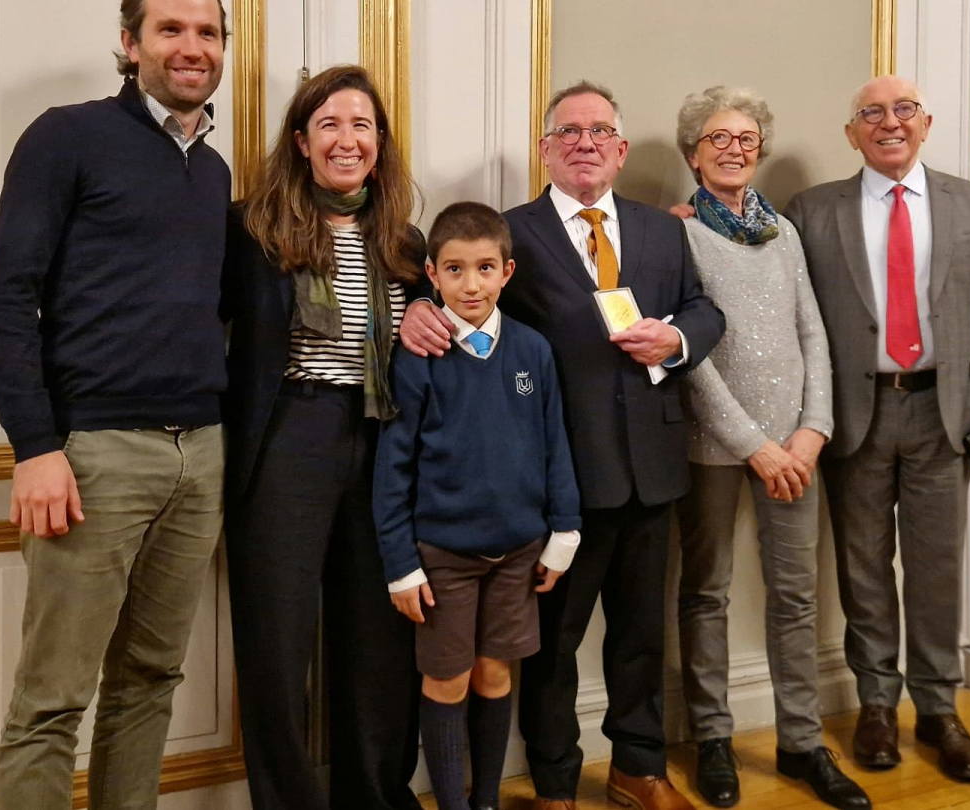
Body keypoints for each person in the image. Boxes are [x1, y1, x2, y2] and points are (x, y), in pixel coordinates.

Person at [402, 81, 725, 810]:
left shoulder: (661, 230)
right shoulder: (511, 235)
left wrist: (676, 338)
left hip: (653, 468)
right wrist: (420, 308)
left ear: (620, 148)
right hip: (558, 483)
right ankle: (554, 784)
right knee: (550, 648)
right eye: (568, 132)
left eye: (599, 131)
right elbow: (461, 295)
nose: (585, 142)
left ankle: (638, 768)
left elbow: (706, 311)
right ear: (546, 149)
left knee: (641, 637)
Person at [0, 0, 230, 807]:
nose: (192, 47)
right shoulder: (67, 136)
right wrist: (36, 447)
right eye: (171, 30)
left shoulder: (214, 169)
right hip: (94, 458)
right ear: (129, 44)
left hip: (202, 456)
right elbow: (5, 297)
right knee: (52, 700)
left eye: (208, 33)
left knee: (151, 678)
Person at [784, 75, 970, 783]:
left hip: (946, 414)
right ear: (852, 133)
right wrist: (696, 218)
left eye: (903, 110)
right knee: (862, 572)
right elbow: (770, 276)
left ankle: (939, 710)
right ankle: (877, 706)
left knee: (935, 571)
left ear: (925, 124)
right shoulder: (812, 210)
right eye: (871, 113)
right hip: (854, 416)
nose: (889, 122)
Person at [222, 64, 425, 810]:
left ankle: (373, 793)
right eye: (331, 124)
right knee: (276, 643)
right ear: (302, 141)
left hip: (381, 441)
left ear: (380, 143)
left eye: (362, 124)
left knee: (378, 638)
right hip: (286, 438)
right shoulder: (252, 230)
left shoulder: (404, 241)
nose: (348, 139)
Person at [668, 86, 869, 810]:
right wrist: (754, 446)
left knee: (796, 597)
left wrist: (811, 432)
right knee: (706, 592)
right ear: (694, 152)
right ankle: (714, 738)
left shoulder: (782, 232)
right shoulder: (680, 234)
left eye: (746, 137)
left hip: (796, 448)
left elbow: (811, 332)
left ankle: (802, 744)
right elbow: (691, 357)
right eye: (718, 137)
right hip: (716, 446)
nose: (734, 148)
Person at [373, 201, 583, 810]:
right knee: (447, 678)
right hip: (443, 557)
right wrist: (400, 563)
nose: (472, 284)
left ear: (507, 272)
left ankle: (486, 800)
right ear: (432, 276)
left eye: (485, 268)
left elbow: (554, 447)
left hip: (520, 552)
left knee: (495, 674)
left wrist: (563, 532)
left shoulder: (533, 351)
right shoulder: (418, 357)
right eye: (456, 270)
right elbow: (394, 467)